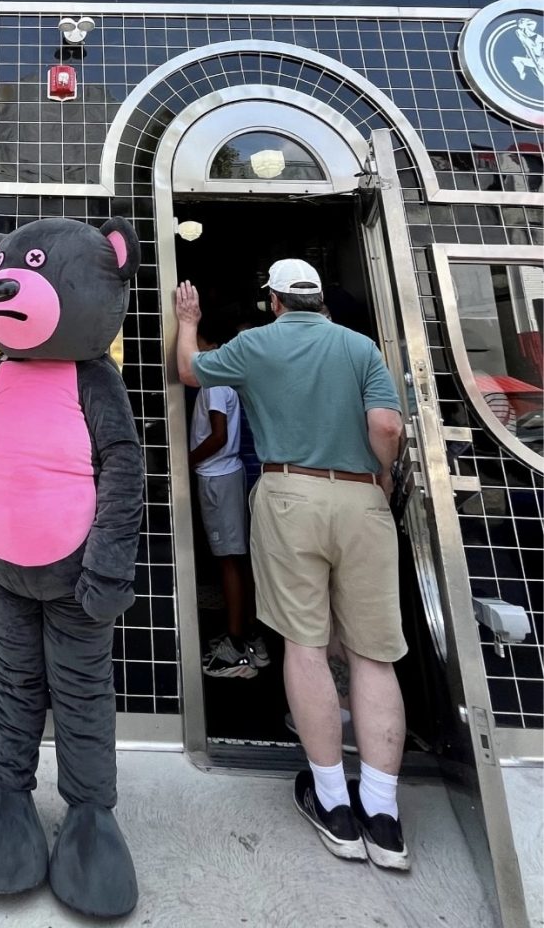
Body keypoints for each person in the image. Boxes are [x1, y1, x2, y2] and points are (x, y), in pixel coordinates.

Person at [176, 259, 409, 872]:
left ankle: (333, 803)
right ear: (319, 299)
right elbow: (387, 424)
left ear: (274, 300)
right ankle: (382, 817)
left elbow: (188, 370)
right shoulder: (360, 347)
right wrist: (381, 477)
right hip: (361, 496)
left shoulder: (256, 343)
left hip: (287, 492)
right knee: (373, 654)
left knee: (305, 646)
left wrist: (186, 320)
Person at [189, 323, 268, 678]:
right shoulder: (222, 380)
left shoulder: (214, 381)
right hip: (225, 475)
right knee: (235, 559)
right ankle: (249, 637)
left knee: (229, 561)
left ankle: (237, 646)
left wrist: (186, 461)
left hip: (218, 477)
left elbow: (218, 436)